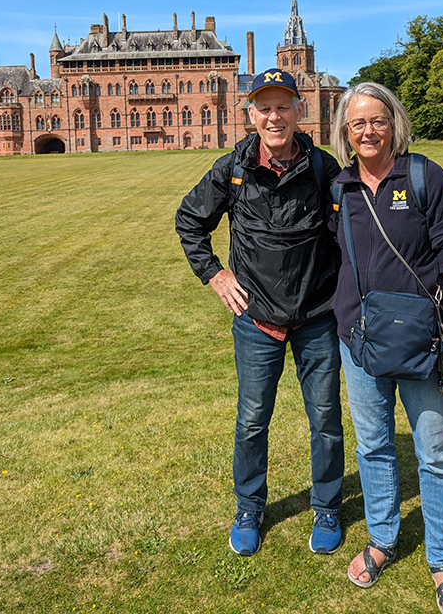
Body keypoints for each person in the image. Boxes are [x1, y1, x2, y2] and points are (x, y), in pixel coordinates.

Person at [176, 68, 344, 557]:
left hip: (317, 316)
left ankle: (327, 505)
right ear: (250, 115)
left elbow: (352, 232)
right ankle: (249, 506)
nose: (274, 116)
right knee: (252, 420)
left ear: (298, 110)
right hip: (256, 320)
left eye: (283, 106)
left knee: (326, 419)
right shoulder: (230, 169)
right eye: (264, 107)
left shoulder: (322, 168)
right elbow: (190, 220)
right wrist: (214, 273)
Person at [328, 82, 443, 614]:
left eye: (377, 120)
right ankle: (383, 540)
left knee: (436, 455)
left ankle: (442, 561)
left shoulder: (423, 177)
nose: (367, 131)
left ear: (394, 123)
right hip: (359, 340)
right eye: (356, 123)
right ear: (343, 133)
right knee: (372, 447)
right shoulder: (339, 187)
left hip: (423, 340)